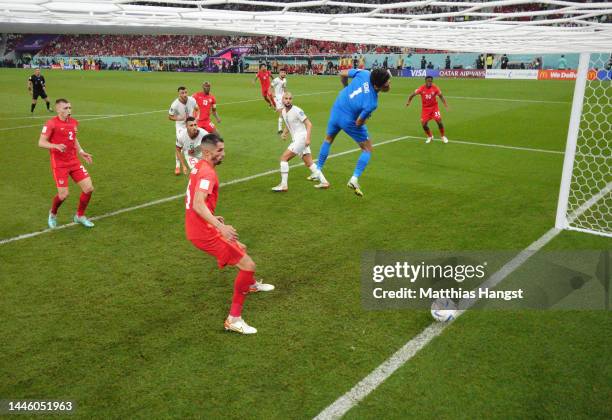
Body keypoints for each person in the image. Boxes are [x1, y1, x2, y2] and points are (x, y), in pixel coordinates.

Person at [185, 133, 274, 335]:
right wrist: (219, 226)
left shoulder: (199, 166)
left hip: (201, 226)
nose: (224, 154)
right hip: (203, 233)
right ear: (207, 152)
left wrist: (214, 219)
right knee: (248, 265)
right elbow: (198, 203)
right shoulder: (208, 173)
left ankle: (250, 285)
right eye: (220, 151)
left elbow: (197, 202)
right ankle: (234, 319)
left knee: (241, 247)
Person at [314, 68, 391, 197]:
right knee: (367, 149)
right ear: (378, 85)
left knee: (328, 139)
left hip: (338, 106)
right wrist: (365, 119)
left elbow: (342, 73)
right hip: (348, 119)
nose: (389, 83)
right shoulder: (372, 102)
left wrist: (345, 86)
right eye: (387, 82)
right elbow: (358, 123)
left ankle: (317, 170)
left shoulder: (365, 73)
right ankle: (354, 179)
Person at [38, 98, 95, 229]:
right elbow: (41, 142)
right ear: (58, 110)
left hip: (73, 161)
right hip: (59, 164)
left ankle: (79, 216)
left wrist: (81, 151)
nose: (69, 110)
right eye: (65, 108)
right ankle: (52, 213)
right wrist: (55, 145)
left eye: (70, 108)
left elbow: (73, 138)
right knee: (63, 195)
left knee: (89, 188)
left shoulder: (74, 122)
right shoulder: (51, 123)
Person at [271, 92, 319, 192]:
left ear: (292, 100)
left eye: (290, 98)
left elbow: (309, 124)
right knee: (308, 162)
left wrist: (308, 139)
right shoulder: (284, 112)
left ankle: (284, 185)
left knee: (283, 158)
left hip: (301, 139)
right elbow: (289, 124)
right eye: (286, 98)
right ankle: (323, 180)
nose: (288, 100)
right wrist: (284, 133)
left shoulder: (297, 110)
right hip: (298, 139)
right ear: (282, 100)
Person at [406, 76, 449, 144]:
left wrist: (445, 104)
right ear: (425, 81)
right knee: (424, 124)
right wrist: (408, 102)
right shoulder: (421, 88)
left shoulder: (435, 88)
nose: (429, 82)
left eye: (431, 81)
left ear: (432, 82)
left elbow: (441, 96)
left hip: (434, 107)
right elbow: (412, 95)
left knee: (439, 122)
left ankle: (443, 136)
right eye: (428, 81)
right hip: (425, 109)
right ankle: (430, 136)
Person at [169, 86, 199, 175]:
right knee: (179, 146)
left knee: (193, 140)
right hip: (181, 127)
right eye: (182, 93)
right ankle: (177, 166)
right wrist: (179, 118)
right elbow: (170, 116)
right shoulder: (175, 104)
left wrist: (197, 118)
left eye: (186, 92)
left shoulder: (192, 100)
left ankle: (193, 158)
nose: (185, 94)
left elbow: (197, 109)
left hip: (190, 124)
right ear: (179, 94)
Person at [271, 68, 288, 134]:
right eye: (282, 72)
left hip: (283, 97)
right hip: (278, 98)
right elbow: (271, 87)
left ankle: (285, 127)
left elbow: (284, 88)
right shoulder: (276, 80)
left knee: (285, 112)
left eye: (284, 72)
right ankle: (280, 129)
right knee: (281, 112)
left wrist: (287, 95)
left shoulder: (285, 80)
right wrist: (273, 95)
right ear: (279, 73)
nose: (283, 73)